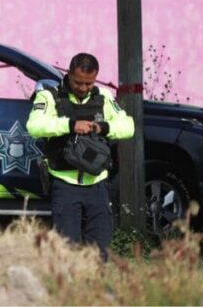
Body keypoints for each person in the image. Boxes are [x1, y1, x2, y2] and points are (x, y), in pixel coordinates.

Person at [27, 52, 134, 259]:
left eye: (89, 84)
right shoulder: (50, 95)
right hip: (64, 184)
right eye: (78, 83)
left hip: (97, 184)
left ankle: (95, 290)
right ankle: (70, 290)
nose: (84, 89)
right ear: (68, 74)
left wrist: (102, 127)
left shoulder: (103, 97)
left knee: (100, 251)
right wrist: (69, 125)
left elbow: (128, 126)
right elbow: (34, 126)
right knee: (68, 250)